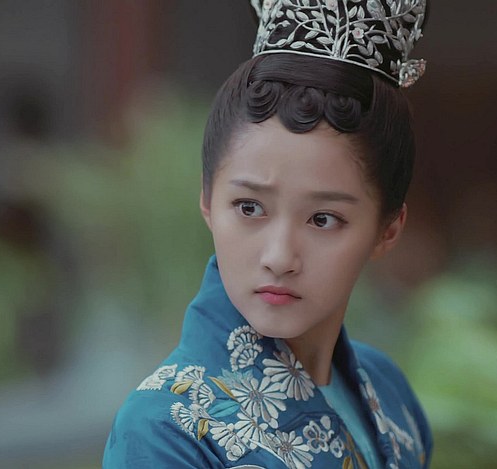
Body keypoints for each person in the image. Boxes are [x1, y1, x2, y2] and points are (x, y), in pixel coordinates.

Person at [104, 0, 432, 467]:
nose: (279, 257)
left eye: (323, 219)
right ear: (207, 202)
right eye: (249, 208)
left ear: (388, 229)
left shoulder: (388, 390)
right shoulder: (163, 429)